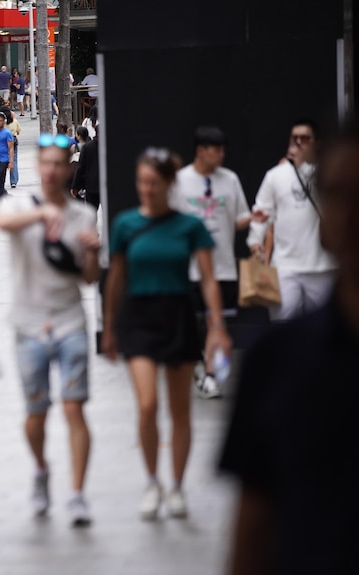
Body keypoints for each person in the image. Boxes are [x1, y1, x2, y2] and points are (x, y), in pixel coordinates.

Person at [219, 123, 359, 575]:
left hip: (319, 271)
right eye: (341, 196)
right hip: (290, 268)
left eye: (307, 138)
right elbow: (252, 524)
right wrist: (259, 247)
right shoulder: (274, 361)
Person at [102, 148, 231, 521]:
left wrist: (217, 326)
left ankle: (175, 486)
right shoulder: (125, 224)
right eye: (142, 182)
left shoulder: (189, 227)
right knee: (146, 405)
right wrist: (109, 327)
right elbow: (117, 278)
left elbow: (208, 279)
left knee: (180, 410)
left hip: (177, 314)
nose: (147, 189)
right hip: (138, 317)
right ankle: (151, 481)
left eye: (153, 183)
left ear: (169, 184)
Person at [0, 132, 101, 526]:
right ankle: (41, 470)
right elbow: (4, 224)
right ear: (39, 167)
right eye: (47, 164)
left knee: (75, 409)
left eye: (60, 164)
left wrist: (93, 252)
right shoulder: (21, 205)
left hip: (70, 320)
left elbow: (89, 279)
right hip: (29, 324)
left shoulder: (82, 215)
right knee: (36, 414)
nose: (53, 171)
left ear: (69, 168)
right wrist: (40, 215)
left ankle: (77, 494)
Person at [171, 127, 258, 399]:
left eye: (222, 149)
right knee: (191, 324)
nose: (221, 155)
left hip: (223, 266)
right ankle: (197, 365)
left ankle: (211, 375)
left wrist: (256, 217)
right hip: (188, 269)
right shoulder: (180, 181)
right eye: (215, 150)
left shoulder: (229, 179)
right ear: (200, 151)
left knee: (216, 323)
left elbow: (237, 218)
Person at [247, 119, 336, 321]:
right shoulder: (275, 175)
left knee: (324, 325)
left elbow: (318, 184)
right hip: (285, 264)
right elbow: (262, 210)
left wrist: (305, 163)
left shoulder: (325, 172)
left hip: (322, 264)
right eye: (294, 138)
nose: (298, 142)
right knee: (282, 323)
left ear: (316, 143)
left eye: (304, 138)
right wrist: (255, 240)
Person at [71, 122, 100, 208]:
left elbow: (81, 167)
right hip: (108, 185)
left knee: (92, 212)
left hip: (91, 185)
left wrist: (75, 186)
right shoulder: (110, 146)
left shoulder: (88, 147)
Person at [2, 107, 22, 189]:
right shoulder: (15, 121)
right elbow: (19, 131)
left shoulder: (2, 123)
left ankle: (1, 180)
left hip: (3, 141)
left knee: (3, 160)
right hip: (13, 140)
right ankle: (13, 181)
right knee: (14, 160)